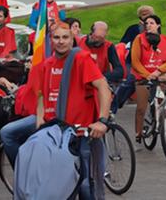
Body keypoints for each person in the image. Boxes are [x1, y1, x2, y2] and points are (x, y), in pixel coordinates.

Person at [32, 25, 112, 200]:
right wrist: (39, 119)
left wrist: (102, 121)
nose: (61, 41)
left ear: (72, 39)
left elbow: (103, 88)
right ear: (51, 40)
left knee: (84, 185)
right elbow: (41, 95)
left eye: (65, 37)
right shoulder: (47, 64)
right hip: (54, 134)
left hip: (80, 134)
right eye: (56, 38)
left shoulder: (82, 59)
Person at [129, 14, 166, 141]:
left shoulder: (164, 40)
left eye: (151, 23)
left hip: (158, 76)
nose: (148, 25)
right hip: (142, 77)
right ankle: (138, 132)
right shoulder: (139, 39)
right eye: (146, 23)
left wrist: (158, 71)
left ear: (158, 25)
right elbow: (135, 62)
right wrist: (148, 75)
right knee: (141, 107)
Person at [111, 5, 154, 112]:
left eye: (148, 13)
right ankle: (114, 105)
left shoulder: (155, 28)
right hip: (134, 60)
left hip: (152, 61)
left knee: (156, 82)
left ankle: (154, 108)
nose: (145, 15)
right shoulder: (133, 28)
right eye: (143, 13)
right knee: (131, 81)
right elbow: (122, 43)